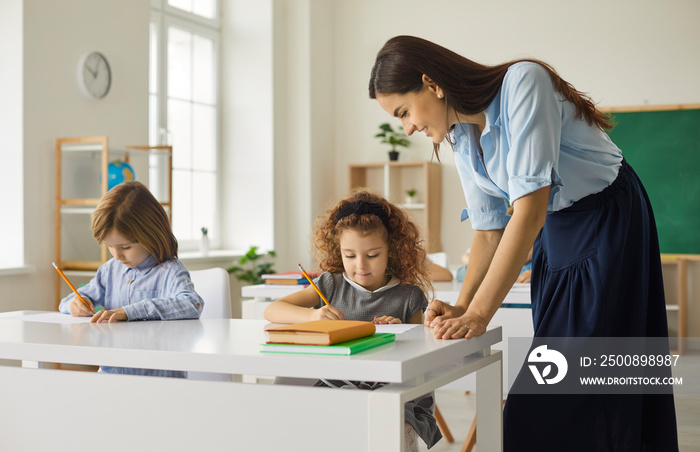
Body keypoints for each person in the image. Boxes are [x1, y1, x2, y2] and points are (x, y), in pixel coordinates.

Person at [369, 35, 677, 451]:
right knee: (561, 382)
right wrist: (462, 306)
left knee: (583, 383)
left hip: (606, 221)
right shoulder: (460, 135)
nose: (407, 128)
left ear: (432, 83)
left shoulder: (523, 83)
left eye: (404, 111)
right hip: (555, 230)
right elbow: (489, 228)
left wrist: (478, 315)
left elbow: (528, 212)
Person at [264, 189, 442, 451]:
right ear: (339, 251)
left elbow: (422, 350)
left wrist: (401, 330)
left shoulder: (409, 295)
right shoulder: (330, 284)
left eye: (372, 255)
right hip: (335, 381)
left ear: (391, 250)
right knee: (291, 404)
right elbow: (274, 310)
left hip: (387, 386)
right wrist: (313, 316)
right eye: (350, 256)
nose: (360, 265)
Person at [58, 181, 204, 378]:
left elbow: (192, 303)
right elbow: (67, 302)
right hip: (113, 377)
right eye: (110, 246)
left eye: (125, 247)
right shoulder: (110, 271)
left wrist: (130, 312)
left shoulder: (169, 271)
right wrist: (75, 305)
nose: (117, 255)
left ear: (150, 235)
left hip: (159, 383)